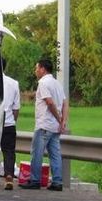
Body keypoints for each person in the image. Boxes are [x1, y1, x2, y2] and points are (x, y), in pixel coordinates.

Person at [20, 58, 68, 191]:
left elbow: (50, 102)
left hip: (44, 125)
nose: (35, 71)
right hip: (55, 128)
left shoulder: (43, 83)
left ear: (42, 69)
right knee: (55, 154)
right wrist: (63, 121)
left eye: (37, 68)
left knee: (37, 153)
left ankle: (35, 180)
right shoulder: (57, 83)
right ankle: (57, 182)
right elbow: (65, 103)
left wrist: (59, 119)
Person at [0, 58, 21, 190]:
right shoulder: (14, 83)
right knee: (9, 151)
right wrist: (13, 120)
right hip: (9, 122)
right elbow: (16, 107)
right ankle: (9, 175)